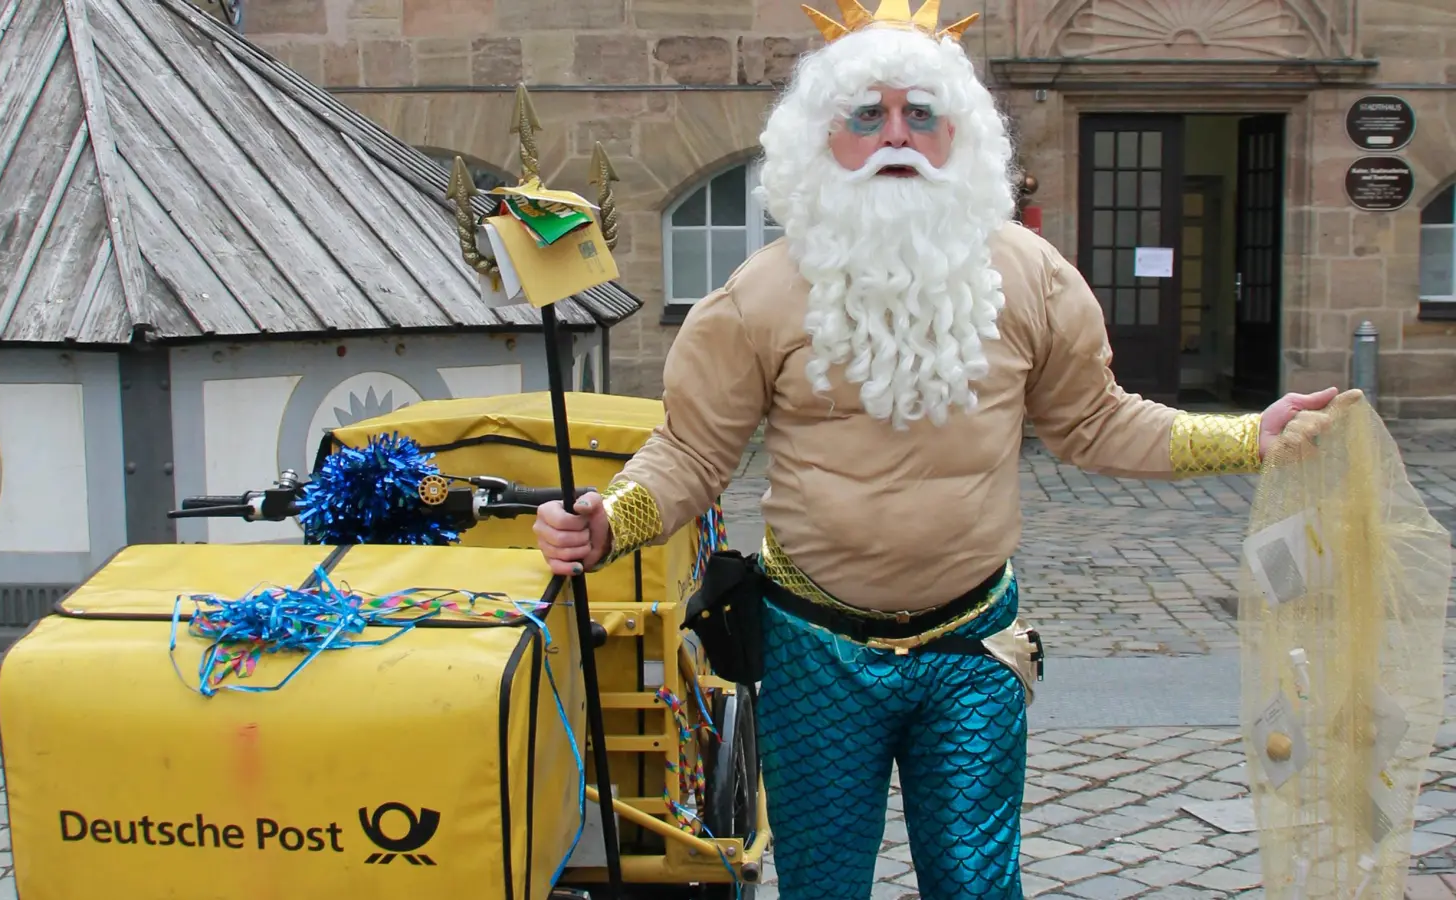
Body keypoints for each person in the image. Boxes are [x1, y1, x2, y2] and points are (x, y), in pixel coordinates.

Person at [532, 2, 1350, 896]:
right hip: (815, 650)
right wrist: (612, 521)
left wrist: (1248, 436)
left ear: (960, 134)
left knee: (975, 882)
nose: (896, 135)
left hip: (974, 645)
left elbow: (1095, 421)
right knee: (823, 884)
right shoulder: (756, 297)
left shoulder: (1034, 278)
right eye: (867, 115)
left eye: (921, 113)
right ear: (821, 139)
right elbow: (692, 452)